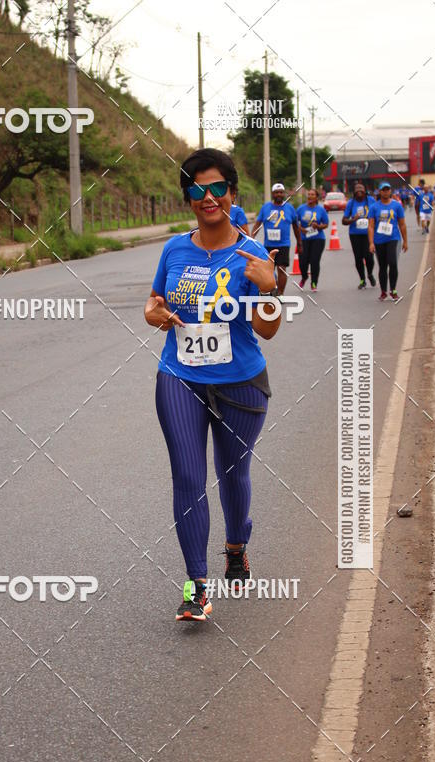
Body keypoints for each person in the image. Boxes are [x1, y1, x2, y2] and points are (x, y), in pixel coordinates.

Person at [144, 147, 279, 623]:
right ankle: (196, 586)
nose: (209, 197)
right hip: (179, 376)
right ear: (188, 196)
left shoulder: (253, 254)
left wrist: (268, 288)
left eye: (217, 187)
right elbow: (155, 303)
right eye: (198, 189)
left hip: (240, 381)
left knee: (231, 473)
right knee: (187, 476)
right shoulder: (174, 249)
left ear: (232, 193)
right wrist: (154, 312)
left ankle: (236, 545)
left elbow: (267, 329)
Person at [251, 182, 301, 295]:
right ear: (273, 194)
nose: (279, 194)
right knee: (269, 271)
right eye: (276, 192)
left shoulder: (289, 208)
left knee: (282, 269)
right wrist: (252, 236)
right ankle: (271, 290)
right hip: (268, 245)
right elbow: (258, 223)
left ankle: (281, 293)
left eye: (281, 192)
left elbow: (296, 227)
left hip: (283, 244)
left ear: (284, 194)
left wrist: (299, 242)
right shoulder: (266, 208)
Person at [368, 182, 408, 301]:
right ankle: (383, 291)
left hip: (393, 238)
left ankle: (393, 290)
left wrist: (405, 241)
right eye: (383, 190)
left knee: (393, 263)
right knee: (382, 266)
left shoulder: (397, 206)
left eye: (387, 190)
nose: (385, 192)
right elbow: (370, 226)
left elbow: (402, 224)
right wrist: (371, 242)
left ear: (390, 191)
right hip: (379, 240)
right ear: (379, 192)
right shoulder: (374, 207)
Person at [342, 183, 376, 289]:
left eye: (361, 188)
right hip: (355, 235)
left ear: (365, 190)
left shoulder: (371, 201)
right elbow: (344, 220)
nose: (359, 190)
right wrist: (353, 219)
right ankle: (362, 280)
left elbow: (376, 214)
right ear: (354, 192)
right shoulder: (351, 203)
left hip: (368, 234)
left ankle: (370, 274)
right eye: (357, 189)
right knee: (358, 258)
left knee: (369, 257)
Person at [296, 188, 329, 291]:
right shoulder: (301, 209)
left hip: (318, 238)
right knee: (303, 261)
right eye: (309, 194)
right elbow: (295, 222)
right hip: (304, 238)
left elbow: (326, 224)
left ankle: (314, 282)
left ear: (316, 197)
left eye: (312, 195)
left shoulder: (321, 210)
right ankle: (304, 277)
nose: (310, 196)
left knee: (314, 261)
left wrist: (318, 226)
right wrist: (302, 229)